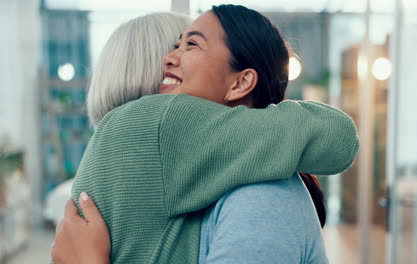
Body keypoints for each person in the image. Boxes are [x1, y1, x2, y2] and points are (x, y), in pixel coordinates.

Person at [51, 5, 359, 264]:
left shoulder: (253, 190)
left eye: (190, 45)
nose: (170, 60)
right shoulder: (154, 125)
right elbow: (338, 138)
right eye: (175, 45)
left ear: (240, 82)